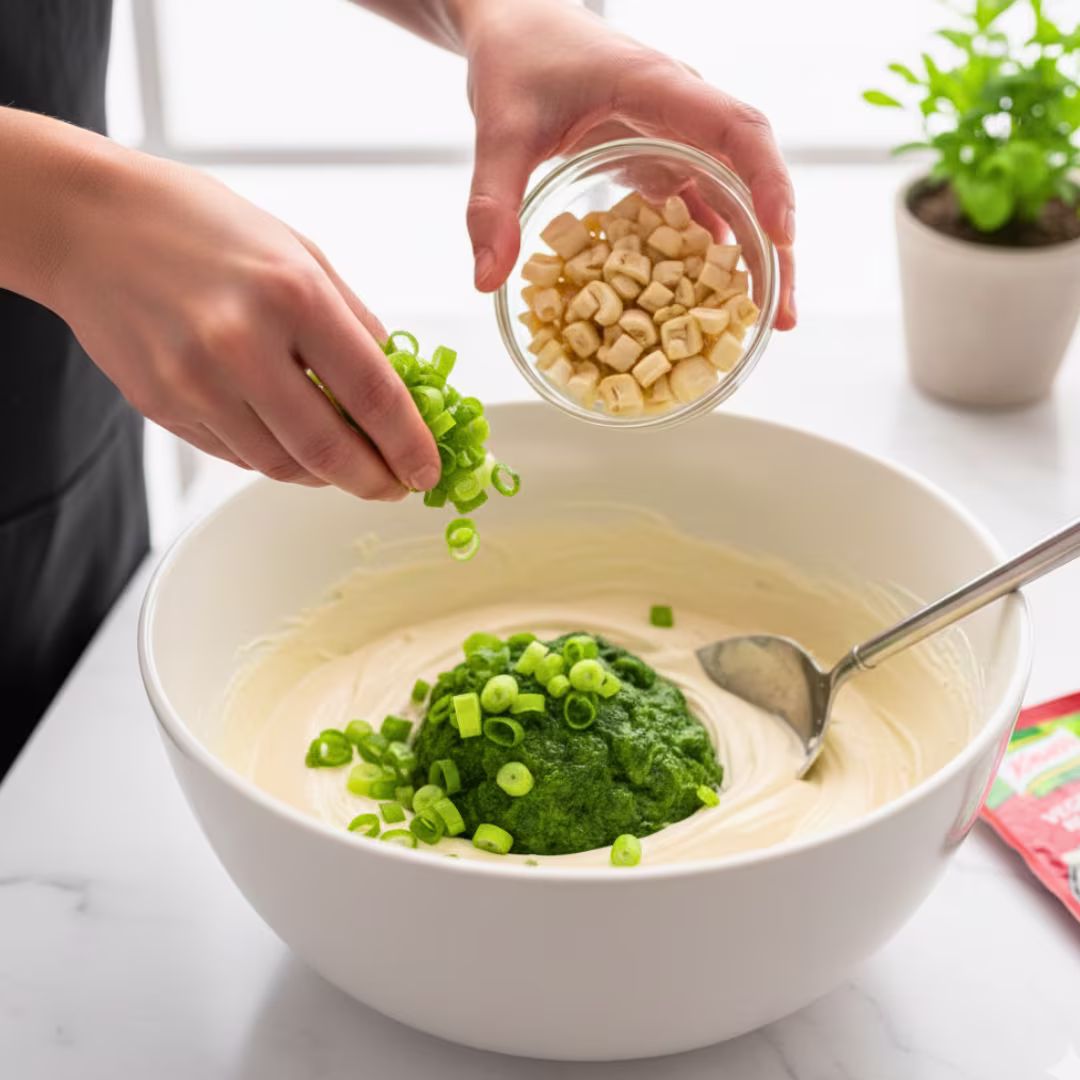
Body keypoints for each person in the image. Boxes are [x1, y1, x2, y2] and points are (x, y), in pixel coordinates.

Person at [0, 0, 797, 777]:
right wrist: (65, 217)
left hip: (62, 411)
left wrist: (494, 10)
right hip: (87, 264)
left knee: (66, 758)